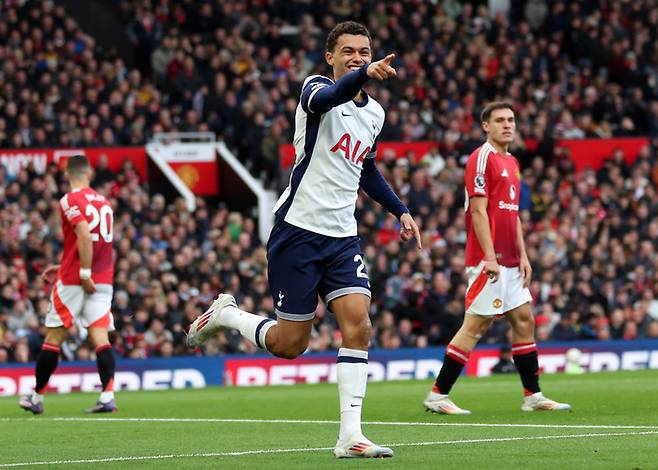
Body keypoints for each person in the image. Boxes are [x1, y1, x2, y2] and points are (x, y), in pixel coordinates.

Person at [187, 21, 421, 458]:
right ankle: (227, 315)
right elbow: (331, 96)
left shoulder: (375, 113)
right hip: (297, 231)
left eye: (364, 51)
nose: (358, 57)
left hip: (341, 237)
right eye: (348, 51)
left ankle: (351, 436)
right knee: (289, 345)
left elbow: (365, 168)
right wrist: (361, 77)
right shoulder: (315, 91)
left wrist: (400, 209)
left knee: (360, 324)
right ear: (330, 57)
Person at [423, 102, 571, 414]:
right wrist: (489, 256)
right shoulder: (481, 158)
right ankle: (437, 395)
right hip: (486, 260)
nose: (507, 125)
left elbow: (513, 214)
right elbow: (478, 210)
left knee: (523, 319)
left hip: (511, 260)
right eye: (500, 120)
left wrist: (524, 255)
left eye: (511, 120)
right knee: (476, 326)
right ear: (485, 126)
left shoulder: (513, 162)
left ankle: (533, 395)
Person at [19, 155, 117, 414]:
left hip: (78, 279)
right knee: (99, 335)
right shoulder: (105, 202)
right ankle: (108, 396)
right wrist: (67, 266)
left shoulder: (70, 199)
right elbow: (95, 242)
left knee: (54, 337)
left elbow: (84, 234)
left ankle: (36, 398)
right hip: (103, 279)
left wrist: (82, 272)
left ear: (67, 174)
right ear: (90, 173)